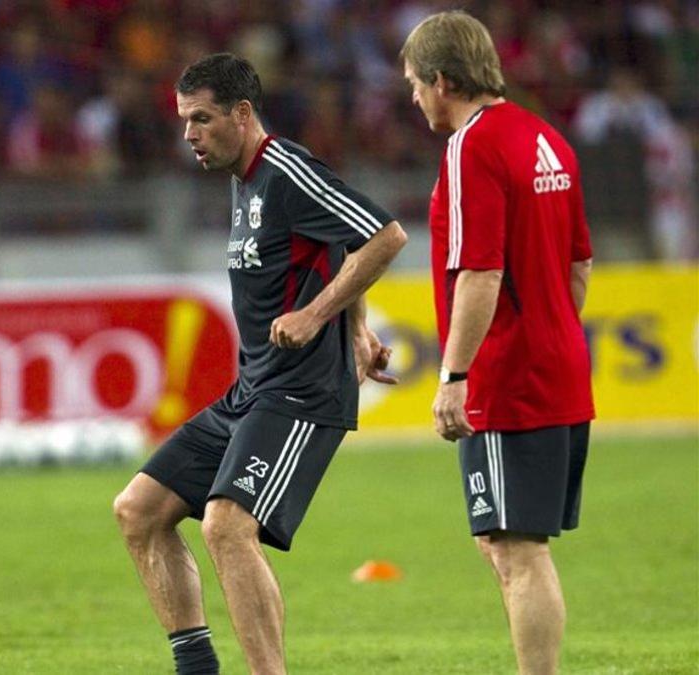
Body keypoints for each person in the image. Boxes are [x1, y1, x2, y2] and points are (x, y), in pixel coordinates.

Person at [112, 53, 407, 674]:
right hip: (251, 390)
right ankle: (197, 666)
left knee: (225, 526)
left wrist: (318, 316)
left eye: (201, 119)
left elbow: (384, 236)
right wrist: (358, 327)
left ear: (242, 115)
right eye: (184, 120)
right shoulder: (242, 177)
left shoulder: (287, 169)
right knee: (138, 511)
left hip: (301, 394)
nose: (188, 134)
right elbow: (332, 242)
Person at [400, 11, 595, 675]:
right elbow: (578, 268)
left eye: (416, 84)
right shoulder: (548, 139)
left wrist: (455, 374)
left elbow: (480, 271)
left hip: (510, 377)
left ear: (443, 79)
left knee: (517, 551)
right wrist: (552, 334)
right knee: (501, 539)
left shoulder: (472, 146)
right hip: (561, 363)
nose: (414, 98)